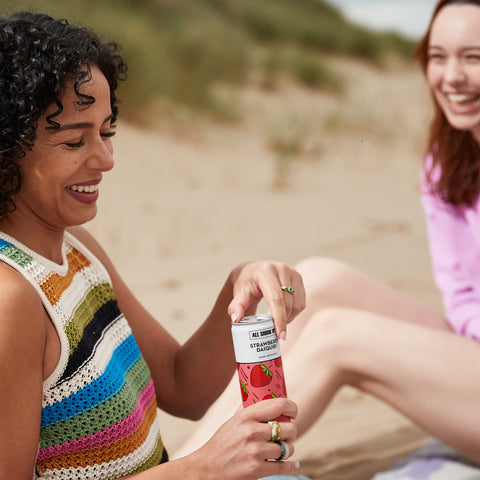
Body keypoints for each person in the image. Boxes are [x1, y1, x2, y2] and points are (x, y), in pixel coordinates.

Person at [0, 11, 310, 480]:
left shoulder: (77, 250)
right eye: (74, 140)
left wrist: (237, 288)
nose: (105, 159)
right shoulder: (12, 300)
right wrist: (201, 468)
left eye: (106, 131)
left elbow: (185, 387)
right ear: (7, 145)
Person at [174, 0, 480, 468]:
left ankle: (208, 472)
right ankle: (191, 462)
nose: (452, 76)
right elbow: (461, 294)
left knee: (337, 336)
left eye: (473, 57)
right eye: (439, 56)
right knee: (312, 282)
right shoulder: (448, 162)